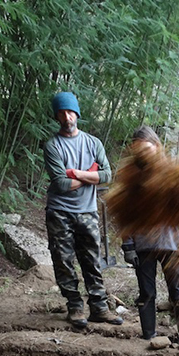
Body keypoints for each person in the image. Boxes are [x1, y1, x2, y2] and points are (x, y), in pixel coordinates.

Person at [43, 91, 121, 328]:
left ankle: (99, 307)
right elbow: (61, 184)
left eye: (70, 112)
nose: (67, 117)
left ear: (77, 113)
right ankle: (75, 307)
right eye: (62, 113)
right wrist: (91, 174)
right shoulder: (52, 146)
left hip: (87, 210)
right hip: (60, 212)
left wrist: (76, 173)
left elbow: (107, 176)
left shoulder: (93, 143)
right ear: (57, 116)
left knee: (91, 259)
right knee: (63, 260)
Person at [120, 126, 179, 342]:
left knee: (178, 293)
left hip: (172, 243)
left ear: (157, 148)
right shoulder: (130, 179)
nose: (144, 154)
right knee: (147, 293)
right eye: (139, 150)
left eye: (148, 149)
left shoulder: (174, 175)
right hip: (143, 245)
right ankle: (149, 337)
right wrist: (128, 246)